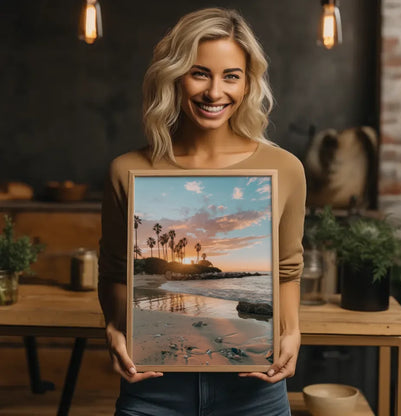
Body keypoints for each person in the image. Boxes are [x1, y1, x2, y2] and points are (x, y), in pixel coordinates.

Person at [98, 7, 306, 416]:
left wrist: (293, 332)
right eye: (199, 73)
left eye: (231, 76)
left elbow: (286, 271)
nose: (215, 92)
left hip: (254, 392)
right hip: (152, 389)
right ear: (174, 77)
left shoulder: (285, 168)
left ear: (248, 84)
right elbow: (113, 272)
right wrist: (112, 327)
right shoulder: (127, 170)